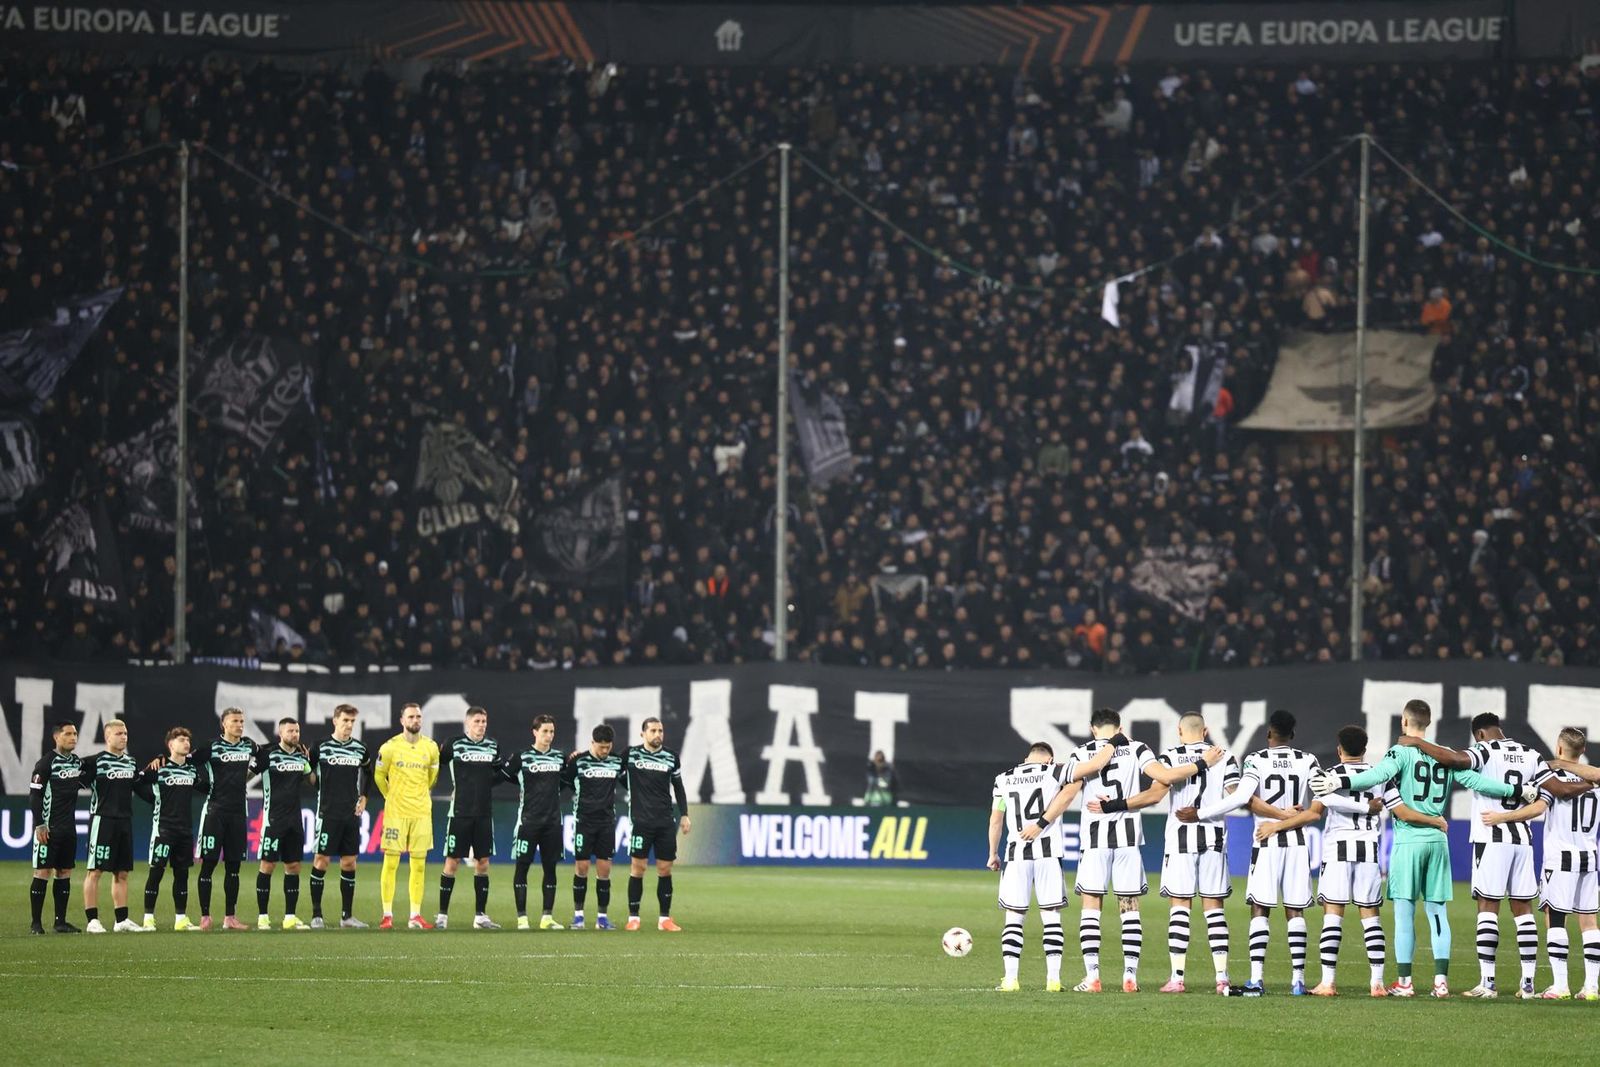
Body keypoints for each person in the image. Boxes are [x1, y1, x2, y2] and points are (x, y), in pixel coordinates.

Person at [1313, 698, 1534, 997]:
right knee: (1438, 912)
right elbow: (1475, 780)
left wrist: (1336, 779)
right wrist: (1516, 790)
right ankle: (1441, 982)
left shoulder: (1400, 752)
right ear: (1428, 723)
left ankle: (1405, 983)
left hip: (1409, 841)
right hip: (1438, 841)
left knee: (1405, 914)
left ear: (1404, 722)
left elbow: (1376, 776)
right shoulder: (1444, 755)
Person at [1390, 712, 1586, 998]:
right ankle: (1528, 984)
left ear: (1479, 734)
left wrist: (1417, 744)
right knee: (1523, 910)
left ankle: (1488, 983)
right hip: (1523, 840)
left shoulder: (1484, 750)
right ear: (1500, 728)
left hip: (1491, 836)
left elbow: (1456, 761)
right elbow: (1562, 791)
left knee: (1487, 907)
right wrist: (1592, 781)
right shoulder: (1530, 753)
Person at [1254, 725, 1433, 997]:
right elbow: (1402, 812)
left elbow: (1313, 813)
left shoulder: (1330, 775)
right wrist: (1434, 820)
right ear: (1364, 749)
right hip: (1369, 850)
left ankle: (1328, 982)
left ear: (1339, 750)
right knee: (1371, 918)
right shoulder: (1379, 776)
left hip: (1338, 849)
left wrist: (1276, 826)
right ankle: (1377, 984)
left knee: (1332, 917)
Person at [1054, 708, 1222, 993]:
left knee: (1091, 906)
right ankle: (1130, 976)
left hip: (1095, 840)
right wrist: (1202, 764)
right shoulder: (1137, 748)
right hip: (1128, 840)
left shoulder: (1082, 752)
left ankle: (1092, 976)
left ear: (1093, 729)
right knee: (1129, 908)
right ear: (1120, 726)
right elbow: (1166, 776)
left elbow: (1069, 789)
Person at [1107, 711, 1243, 994]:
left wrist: (1117, 804)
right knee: (1214, 909)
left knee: (1180, 907)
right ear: (1204, 731)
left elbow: (1155, 795)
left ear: (1180, 732)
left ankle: (1177, 978)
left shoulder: (1169, 757)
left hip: (1179, 839)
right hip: (1214, 838)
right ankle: (1222, 978)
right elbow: (1237, 798)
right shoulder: (1224, 756)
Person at [1185, 708, 1319, 995]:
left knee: (1260, 907)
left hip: (1265, 841)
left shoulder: (1256, 759)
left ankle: (1256, 978)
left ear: (1269, 733)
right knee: (1295, 910)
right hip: (1297, 843)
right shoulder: (1308, 760)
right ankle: (1297, 981)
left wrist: (1201, 813)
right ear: (1292, 735)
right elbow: (1318, 807)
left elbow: (1242, 798)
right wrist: (1288, 817)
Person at [1481, 727, 1599, 1000]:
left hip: (1560, 857)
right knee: (1590, 922)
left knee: (1555, 918)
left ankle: (1560, 986)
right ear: (1582, 752)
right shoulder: (1594, 783)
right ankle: (1591, 987)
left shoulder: (1553, 776)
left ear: (1559, 750)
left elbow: (1538, 807)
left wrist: (1503, 817)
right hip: (1590, 857)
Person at [991, 739, 1113, 991]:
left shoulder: (1003, 778)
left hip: (1016, 855)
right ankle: (1053, 980)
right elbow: (1093, 766)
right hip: (1048, 854)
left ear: (1026, 758)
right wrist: (1114, 743)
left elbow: (996, 819)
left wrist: (993, 852)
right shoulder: (1054, 771)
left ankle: (1011, 979)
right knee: (1051, 918)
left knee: (1013, 918)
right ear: (1049, 758)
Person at [307, 703, 375, 929]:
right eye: (345, 720)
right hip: (327, 813)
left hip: (350, 814)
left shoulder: (360, 748)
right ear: (335, 721)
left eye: (352, 722)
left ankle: (346, 917)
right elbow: (309, 775)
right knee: (322, 860)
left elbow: (368, 770)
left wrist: (364, 796)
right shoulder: (320, 746)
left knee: (349, 862)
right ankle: (316, 915)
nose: (349, 725)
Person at [375, 702, 441, 930]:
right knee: (391, 863)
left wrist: (419, 795)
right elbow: (378, 776)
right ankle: (387, 915)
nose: (416, 720)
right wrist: (390, 796)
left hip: (422, 813)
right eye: (411, 717)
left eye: (418, 717)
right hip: (396, 814)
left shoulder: (431, 748)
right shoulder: (389, 747)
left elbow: (433, 778)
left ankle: (415, 915)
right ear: (402, 720)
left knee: (419, 865)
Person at [437, 706, 502, 930]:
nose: (481, 725)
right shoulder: (454, 744)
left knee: (483, 863)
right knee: (452, 862)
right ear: (467, 723)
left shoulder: (492, 746)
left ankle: (480, 917)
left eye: (484, 721)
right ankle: (442, 916)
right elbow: (435, 764)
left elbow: (499, 773)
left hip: (484, 814)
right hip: (460, 813)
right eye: (477, 721)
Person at [192, 707, 258, 931]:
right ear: (224, 724)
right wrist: (203, 786)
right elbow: (187, 763)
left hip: (239, 813)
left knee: (234, 867)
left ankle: (230, 917)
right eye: (235, 721)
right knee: (208, 865)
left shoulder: (248, 744)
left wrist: (251, 772)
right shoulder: (211, 746)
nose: (240, 724)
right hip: (215, 812)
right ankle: (205, 916)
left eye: (241, 721)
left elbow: (264, 757)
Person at [624, 717, 691, 932]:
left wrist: (685, 814)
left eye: (660, 730)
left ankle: (664, 919)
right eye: (653, 730)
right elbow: (608, 767)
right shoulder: (630, 754)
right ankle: (633, 917)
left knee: (665, 869)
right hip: (641, 822)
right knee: (638, 868)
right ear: (642, 733)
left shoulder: (671, 757)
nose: (658, 734)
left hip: (664, 821)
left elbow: (678, 787)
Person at [79, 720, 146, 933]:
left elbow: (140, 788)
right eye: (119, 733)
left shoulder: (131, 762)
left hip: (125, 821)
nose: (124, 737)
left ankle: (121, 920)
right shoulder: (95, 762)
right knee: (95, 871)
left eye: (125, 733)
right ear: (108, 737)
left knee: (122, 872)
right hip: (103, 820)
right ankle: (92, 920)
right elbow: (75, 783)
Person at [138, 727, 208, 931]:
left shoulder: (191, 769)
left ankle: (181, 919)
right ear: (171, 745)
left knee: (182, 873)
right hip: (163, 828)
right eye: (181, 740)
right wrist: (152, 799)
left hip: (184, 830)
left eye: (188, 739)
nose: (186, 743)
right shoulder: (158, 767)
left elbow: (204, 787)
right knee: (156, 871)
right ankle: (148, 918)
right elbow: (136, 782)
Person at [500, 714, 566, 930]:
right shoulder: (522, 757)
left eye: (552, 731)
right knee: (522, 867)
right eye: (545, 731)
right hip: (528, 822)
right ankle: (522, 918)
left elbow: (565, 781)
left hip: (553, 823)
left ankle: (547, 917)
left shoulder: (560, 758)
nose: (549, 735)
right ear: (535, 732)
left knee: (550, 868)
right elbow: (505, 775)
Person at [563, 724, 624, 930]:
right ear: (592, 743)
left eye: (608, 747)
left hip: (606, 823)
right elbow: (564, 781)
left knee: (604, 871)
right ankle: (578, 916)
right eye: (601, 747)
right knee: (581, 868)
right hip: (584, 822)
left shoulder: (616, 762)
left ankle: (602, 917)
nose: (605, 751)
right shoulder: (578, 762)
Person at [255, 718, 314, 930]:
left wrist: (311, 761)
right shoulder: (268, 755)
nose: (295, 735)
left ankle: (290, 917)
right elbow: (247, 773)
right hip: (273, 820)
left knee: (294, 866)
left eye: (297, 731)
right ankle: (263, 917)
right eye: (290, 731)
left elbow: (312, 780)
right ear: (281, 733)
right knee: (267, 865)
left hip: (294, 821)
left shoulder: (300, 756)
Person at [28, 721, 82, 934]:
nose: (73, 737)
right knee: (43, 871)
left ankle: (60, 922)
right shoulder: (45, 763)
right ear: (57, 737)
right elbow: (35, 795)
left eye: (75, 733)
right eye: (68, 734)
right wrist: (39, 824)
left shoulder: (76, 763)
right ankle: (36, 923)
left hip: (69, 828)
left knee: (64, 871)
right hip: (49, 828)